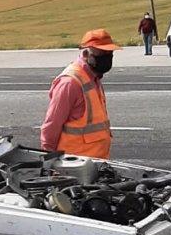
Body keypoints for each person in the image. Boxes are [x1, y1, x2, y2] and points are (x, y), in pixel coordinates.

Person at [40, 28, 120, 159]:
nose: (107, 57)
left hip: (95, 164)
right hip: (73, 166)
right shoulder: (70, 82)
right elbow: (51, 126)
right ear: (86, 53)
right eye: (102, 53)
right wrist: (50, 161)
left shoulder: (94, 77)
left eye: (109, 53)